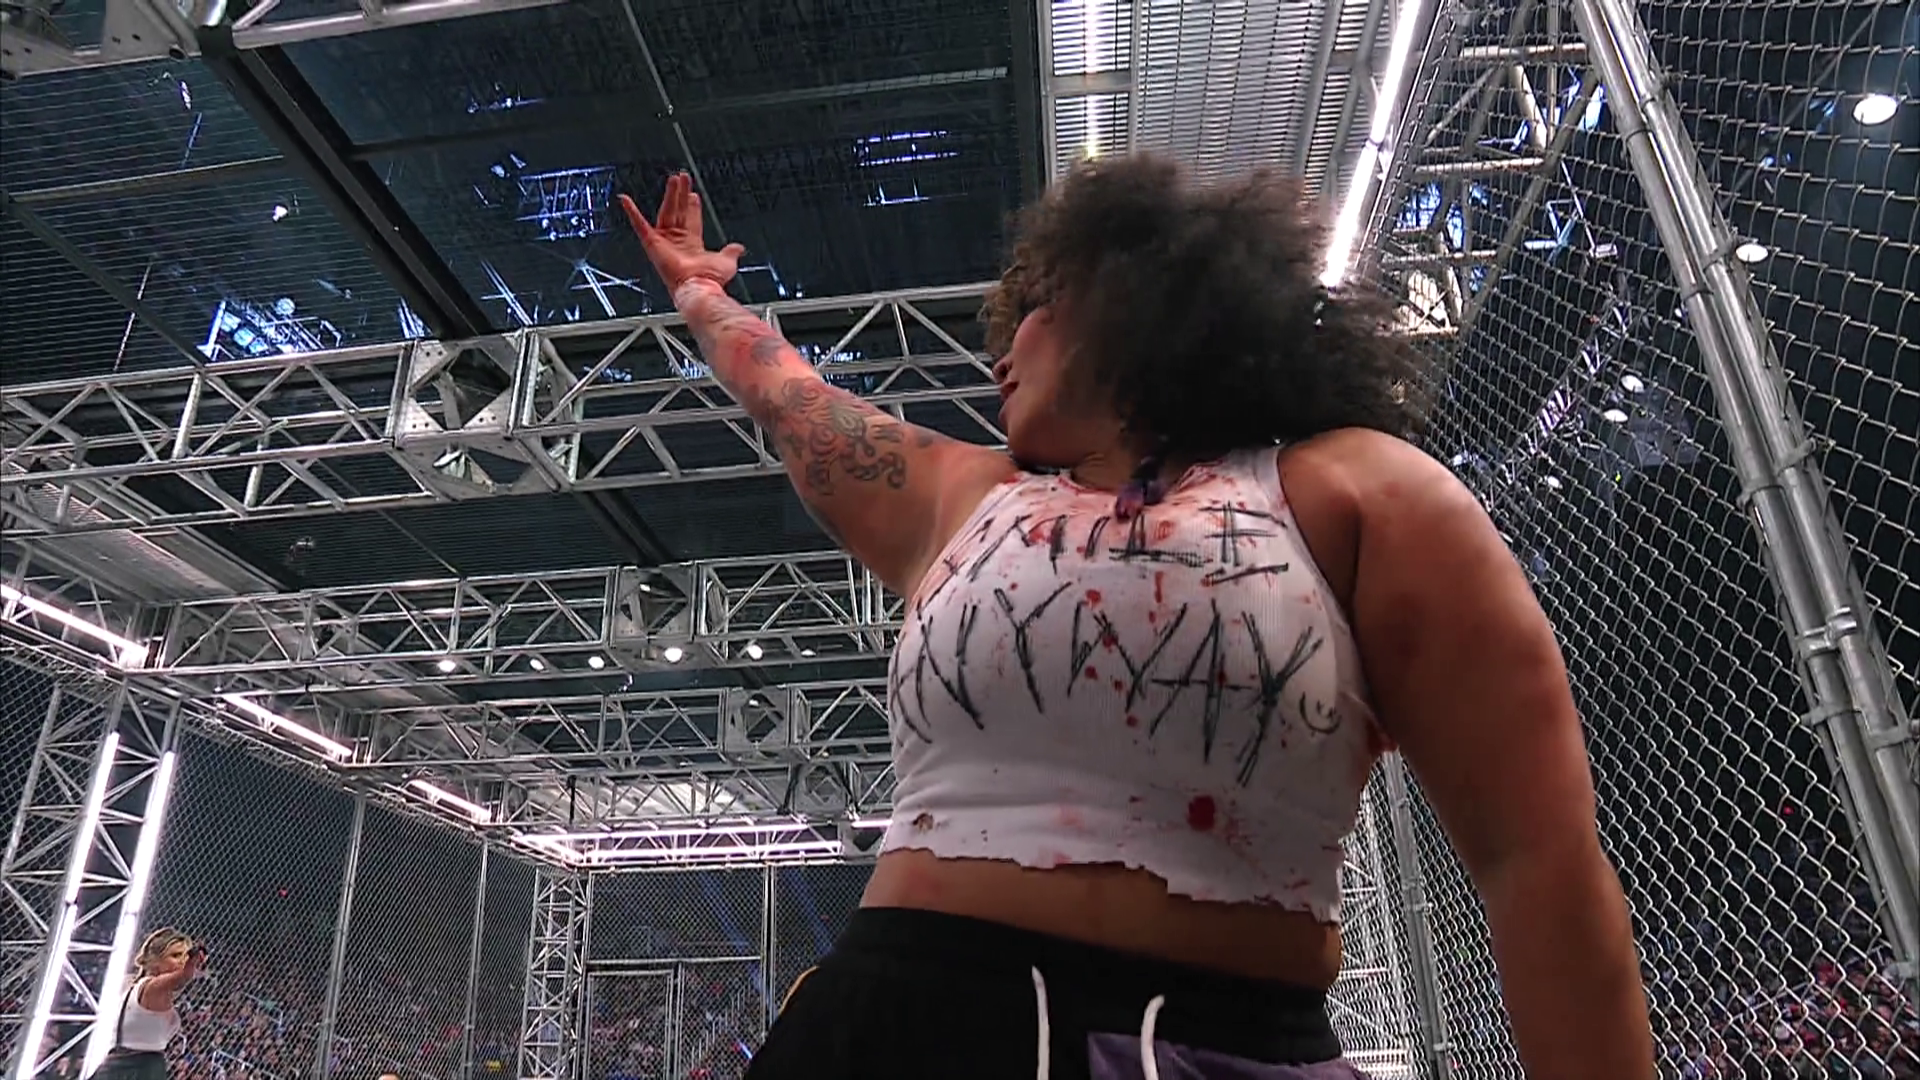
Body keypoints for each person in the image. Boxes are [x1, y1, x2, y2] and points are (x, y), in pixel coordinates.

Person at [619, 158, 1654, 1079]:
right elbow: (792, 397)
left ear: (1120, 298)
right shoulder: (962, 498)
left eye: (1032, 312)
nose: (999, 355)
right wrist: (703, 295)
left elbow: (1537, 862)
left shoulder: (1355, 491)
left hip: (1217, 1038)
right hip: (888, 1022)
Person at [92, 928, 205, 1080]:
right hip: (139, 1068)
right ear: (155, 961)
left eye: (185, 956)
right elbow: (183, 977)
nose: (182, 961)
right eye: (175, 955)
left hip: (119, 1065)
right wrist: (191, 963)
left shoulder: (135, 986)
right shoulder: (153, 987)